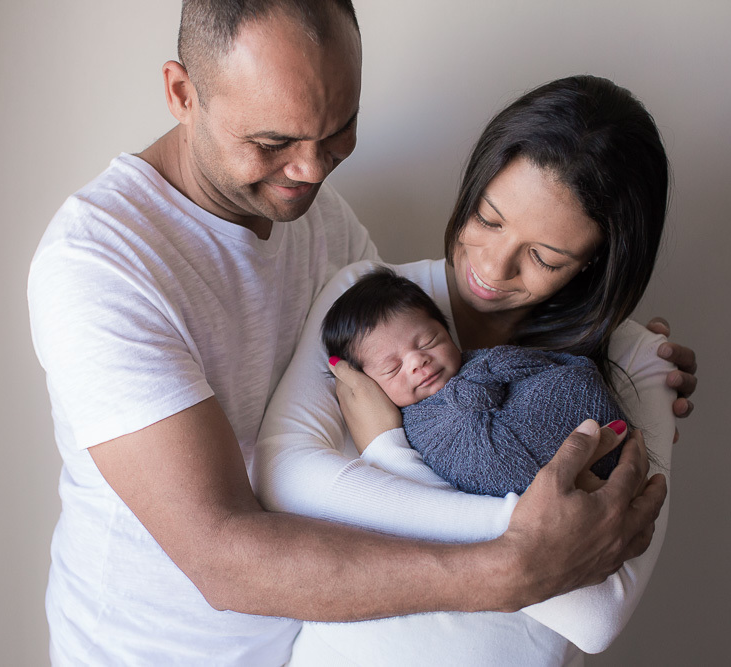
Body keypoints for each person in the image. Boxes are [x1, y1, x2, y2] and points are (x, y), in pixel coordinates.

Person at [27, 1, 695, 663]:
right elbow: (223, 556)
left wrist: (619, 356)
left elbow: (411, 419)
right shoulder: (102, 262)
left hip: (303, 644)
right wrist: (513, 562)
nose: (312, 171)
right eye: (273, 143)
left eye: (339, 131)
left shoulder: (324, 224)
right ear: (181, 92)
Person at [255, 75, 684, 664]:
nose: (491, 266)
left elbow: (598, 613)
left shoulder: (637, 362)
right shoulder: (369, 306)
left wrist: (383, 455)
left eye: (543, 257)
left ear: (596, 266)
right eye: (487, 218)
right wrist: (534, 538)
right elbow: (283, 479)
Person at [320, 267, 627, 496]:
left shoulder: (488, 361)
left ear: (448, 333)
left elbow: (556, 371)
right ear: (367, 384)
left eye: (429, 341)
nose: (417, 361)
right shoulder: (411, 432)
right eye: (392, 367)